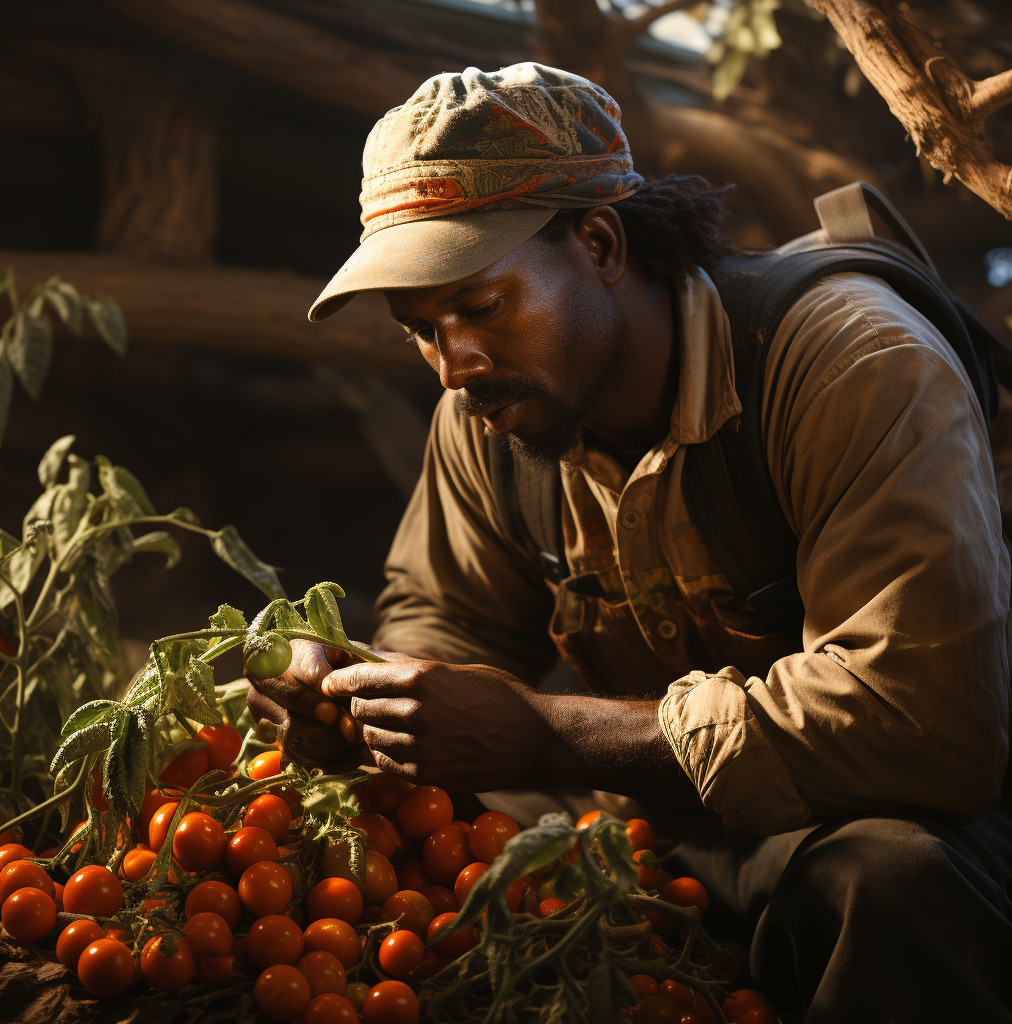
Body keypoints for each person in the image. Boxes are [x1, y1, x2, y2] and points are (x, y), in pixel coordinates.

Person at [246, 64, 1012, 1021]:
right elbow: (448, 631)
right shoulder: (493, 408)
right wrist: (357, 697)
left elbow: (926, 726)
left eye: (478, 307)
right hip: (670, 821)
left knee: (891, 883)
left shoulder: (849, 362)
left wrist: (548, 734)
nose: (452, 364)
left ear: (601, 242)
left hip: (910, 812)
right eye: (420, 330)